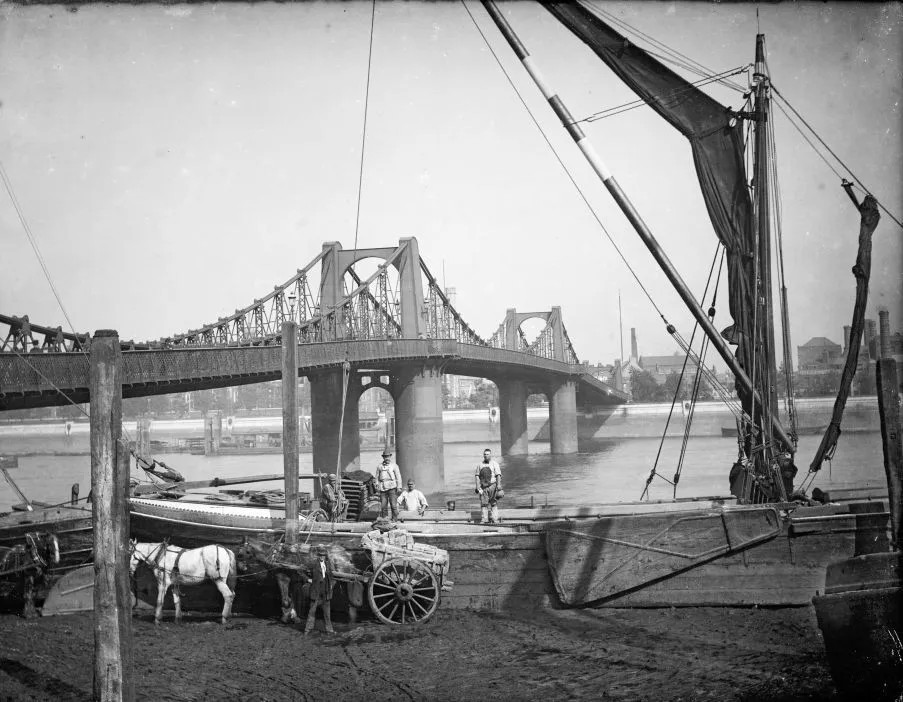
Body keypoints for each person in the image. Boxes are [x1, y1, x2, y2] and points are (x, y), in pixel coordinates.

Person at [304, 545, 334, 635]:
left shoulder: (328, 564)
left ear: (326, 556)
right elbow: (301, 571)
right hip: (316, 589)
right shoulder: (313, 564)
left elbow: (331, 575)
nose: (322, 557)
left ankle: (329, 630)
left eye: (323, 555)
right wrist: (307, 579)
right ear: (318, 555)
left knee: (327, 612)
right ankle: (308, 630)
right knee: (312, 611)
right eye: (320, 555)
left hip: (326, 590)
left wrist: (331, 584)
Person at [474, 448, 503, 524]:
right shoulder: (480, 465)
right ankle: (484, 519)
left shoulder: (494, 463)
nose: (486, 456)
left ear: (490, 455)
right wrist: (477, 486)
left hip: (493, 486)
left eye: (487, 454)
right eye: (485, 454)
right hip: (483, 488)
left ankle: (495, 519)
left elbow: (498, 475)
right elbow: (477, 476)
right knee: (484, 504)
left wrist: (499, 485)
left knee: (493, 503)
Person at [375, 449, 402, 521]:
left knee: (393, 505)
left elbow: (398, 476)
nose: (387, 458)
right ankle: (385, 520)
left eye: (388, 456)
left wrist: (399, 487)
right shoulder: (379, 466)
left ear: (390, 457)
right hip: (382, 488)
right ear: (383, 457)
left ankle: (395, 519)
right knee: (383, 506)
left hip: (392, 487)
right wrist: (377, 484)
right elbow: (377, 477)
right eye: (385, 457)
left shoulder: (394, 466)